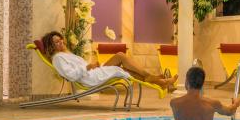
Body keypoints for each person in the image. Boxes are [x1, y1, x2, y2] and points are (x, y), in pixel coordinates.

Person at [42, 31, 177, 88]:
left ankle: (158, 80)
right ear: (51, 46)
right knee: (120, 62)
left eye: (60, 40)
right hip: (89, 77)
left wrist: (91, 66)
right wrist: (88, 67)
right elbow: (71, 75)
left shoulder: (65, 53)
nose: (61, 42)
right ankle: (155, 78)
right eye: (56, 42)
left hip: (92, 72)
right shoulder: (58, 59)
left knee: (121, 58)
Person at [170, 67, 240, 120]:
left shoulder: (174, 103)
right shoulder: (212, 104)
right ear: (202, 84)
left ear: (186, 82)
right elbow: (230, 111)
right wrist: (236, 103)